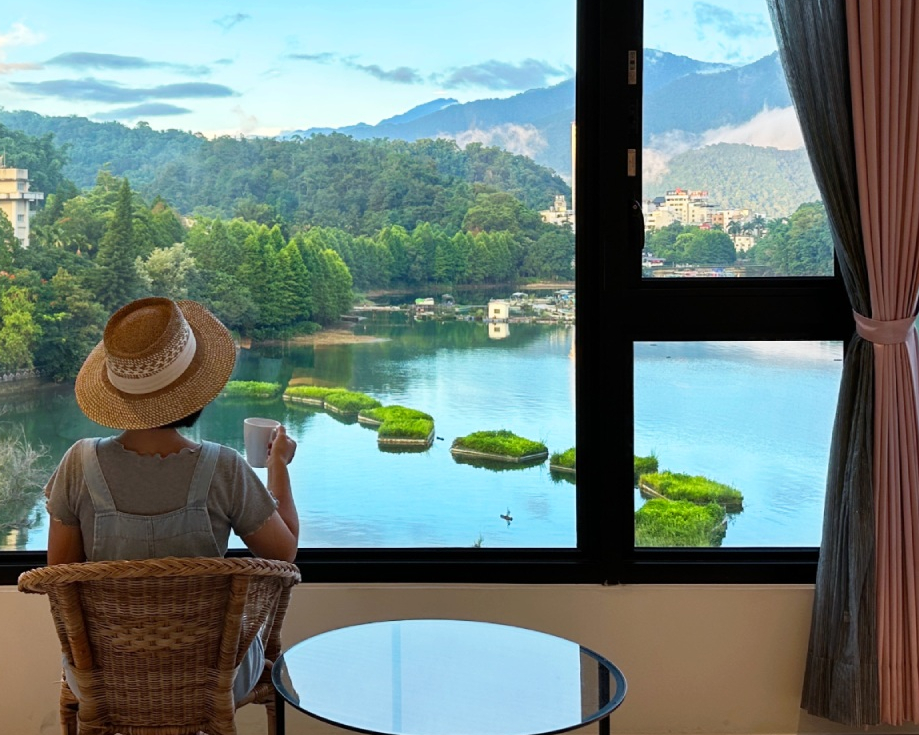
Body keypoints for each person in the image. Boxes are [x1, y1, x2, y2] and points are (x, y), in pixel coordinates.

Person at [44, 296, 299, 701]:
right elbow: (284, 553)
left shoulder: (78, 463)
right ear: (196, 392)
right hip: (212, 684)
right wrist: (278, 468)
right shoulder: (225, 468)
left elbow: (60, 575)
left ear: (119, 395)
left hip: (104, 683)